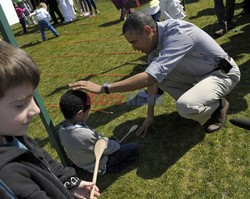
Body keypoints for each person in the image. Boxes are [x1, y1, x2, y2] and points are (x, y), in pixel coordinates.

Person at [69, 12, 241, 137]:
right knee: (160, 77)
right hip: (200, 75)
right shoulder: (153, 49)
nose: (133, 48)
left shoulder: (178, 33)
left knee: (185, 106)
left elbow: (149, 78)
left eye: (134, 42)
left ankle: (218, 106)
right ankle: (206, 100)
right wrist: (149, 116)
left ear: (147, 30)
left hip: (223, 74)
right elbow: (152, 83)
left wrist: (104, 89)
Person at [0, 41, 100, 199]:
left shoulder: (14, 136)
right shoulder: (6, 179)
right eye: (20, 104)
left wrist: (70, 184)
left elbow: (44, 161)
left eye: (32, 97)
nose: (36, 110)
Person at [59, 90, 139, 174]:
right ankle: (111, 168)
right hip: (97, 165)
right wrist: (116, 143)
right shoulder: (84, 134)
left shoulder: (62, 129)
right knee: (134, 147)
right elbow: (108, 147)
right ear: (79, 114)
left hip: (81, 162)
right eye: (88, 111)